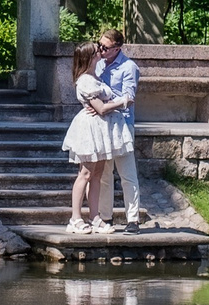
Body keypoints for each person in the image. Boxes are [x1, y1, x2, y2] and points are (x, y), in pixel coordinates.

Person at [60, 39, 130, 234]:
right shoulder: (85, 81)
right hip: (90, 129)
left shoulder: (95, 76)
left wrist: (112, 103)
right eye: (96, 50)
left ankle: (94, 216)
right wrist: (123, 102)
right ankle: (75, 218)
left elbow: (102, 105)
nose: (100, 51)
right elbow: (101, 108)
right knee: (85, 173)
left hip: (100, 128)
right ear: (89, 57)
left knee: (97, 174)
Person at [95, 28, 148, 228]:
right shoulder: (98, 64)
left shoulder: (129, 67)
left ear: (117, 48)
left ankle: (133, 219)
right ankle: (105, 217)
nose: (101, 50)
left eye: (105, 47)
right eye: (99, 45)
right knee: (104, 174)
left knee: (127, 173)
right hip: (102, 124)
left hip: (122, 124)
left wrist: (104, 104)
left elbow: (129, 98)